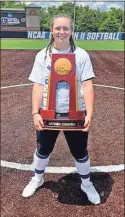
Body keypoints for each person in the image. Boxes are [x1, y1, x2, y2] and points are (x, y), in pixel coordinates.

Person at [22, 14, 101, 205]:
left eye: (66, 28)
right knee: (43, 149)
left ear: (71, 31)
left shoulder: (81, 55)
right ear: (51, 30)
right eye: (58, 28)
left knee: (80, 151)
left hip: (75, 113)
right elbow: (38, 86)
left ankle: (86, 183)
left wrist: (89, 112)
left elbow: (88, 84)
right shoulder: (42, 55)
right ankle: (37, 178)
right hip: (48, 114)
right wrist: (35, 112)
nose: (62, 32)